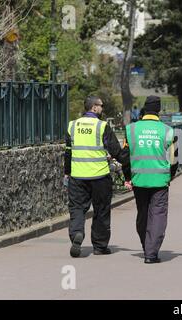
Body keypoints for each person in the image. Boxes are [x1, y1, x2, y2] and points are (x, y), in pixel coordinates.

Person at [64, 96, 129, 258]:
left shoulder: (72, 125)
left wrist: (67, 172)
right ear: (94, 107)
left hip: (77, 176)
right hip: (100, 176)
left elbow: (68, 152)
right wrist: (128, 162)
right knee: (101, 210)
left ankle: (77, 234)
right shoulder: (102, 126)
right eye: (101, 106)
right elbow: (115, 151)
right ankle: (100, 246)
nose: (102, 108)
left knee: (77, 208)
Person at [122, 96, 178, 264]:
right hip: (160, 180)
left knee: (143, 214)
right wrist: (171, 176)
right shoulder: (168, 130)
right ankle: (151, 252)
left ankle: (146, 245)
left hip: (139, 180)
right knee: (158, 215)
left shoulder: (131, 129)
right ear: (159, 110)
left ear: (144, 109)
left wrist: (127, 177)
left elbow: (125, 157)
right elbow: (175, 158)